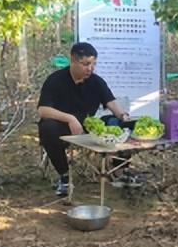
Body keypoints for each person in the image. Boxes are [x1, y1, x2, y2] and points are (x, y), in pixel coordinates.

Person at [38, 42, 131, 196]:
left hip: (88, 125)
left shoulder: (96, 81)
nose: (90, 68)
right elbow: (43, 110)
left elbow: (111, 102)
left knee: (119, 124)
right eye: (86, 64)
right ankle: (65, 177)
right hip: (62, 126)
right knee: (48, 128)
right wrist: (70, 119)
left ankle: (120, 171)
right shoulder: (55, 80)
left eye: (93, 64)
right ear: (73, 60)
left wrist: (123, 115)